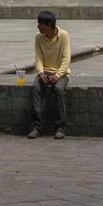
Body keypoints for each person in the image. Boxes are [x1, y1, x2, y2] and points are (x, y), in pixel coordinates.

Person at [27, 11, 71, 140]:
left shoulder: (64, 35)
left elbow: (66, 58)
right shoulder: (38, 37)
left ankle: (60, 128)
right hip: (44, 71)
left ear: (49, 25)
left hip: (61, 72)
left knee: (58, 89)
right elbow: (38, 58)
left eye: (40, 24)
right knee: (35, 88)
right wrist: (40, 73)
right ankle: (36, 126)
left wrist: (57, 75)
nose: (38, 27)